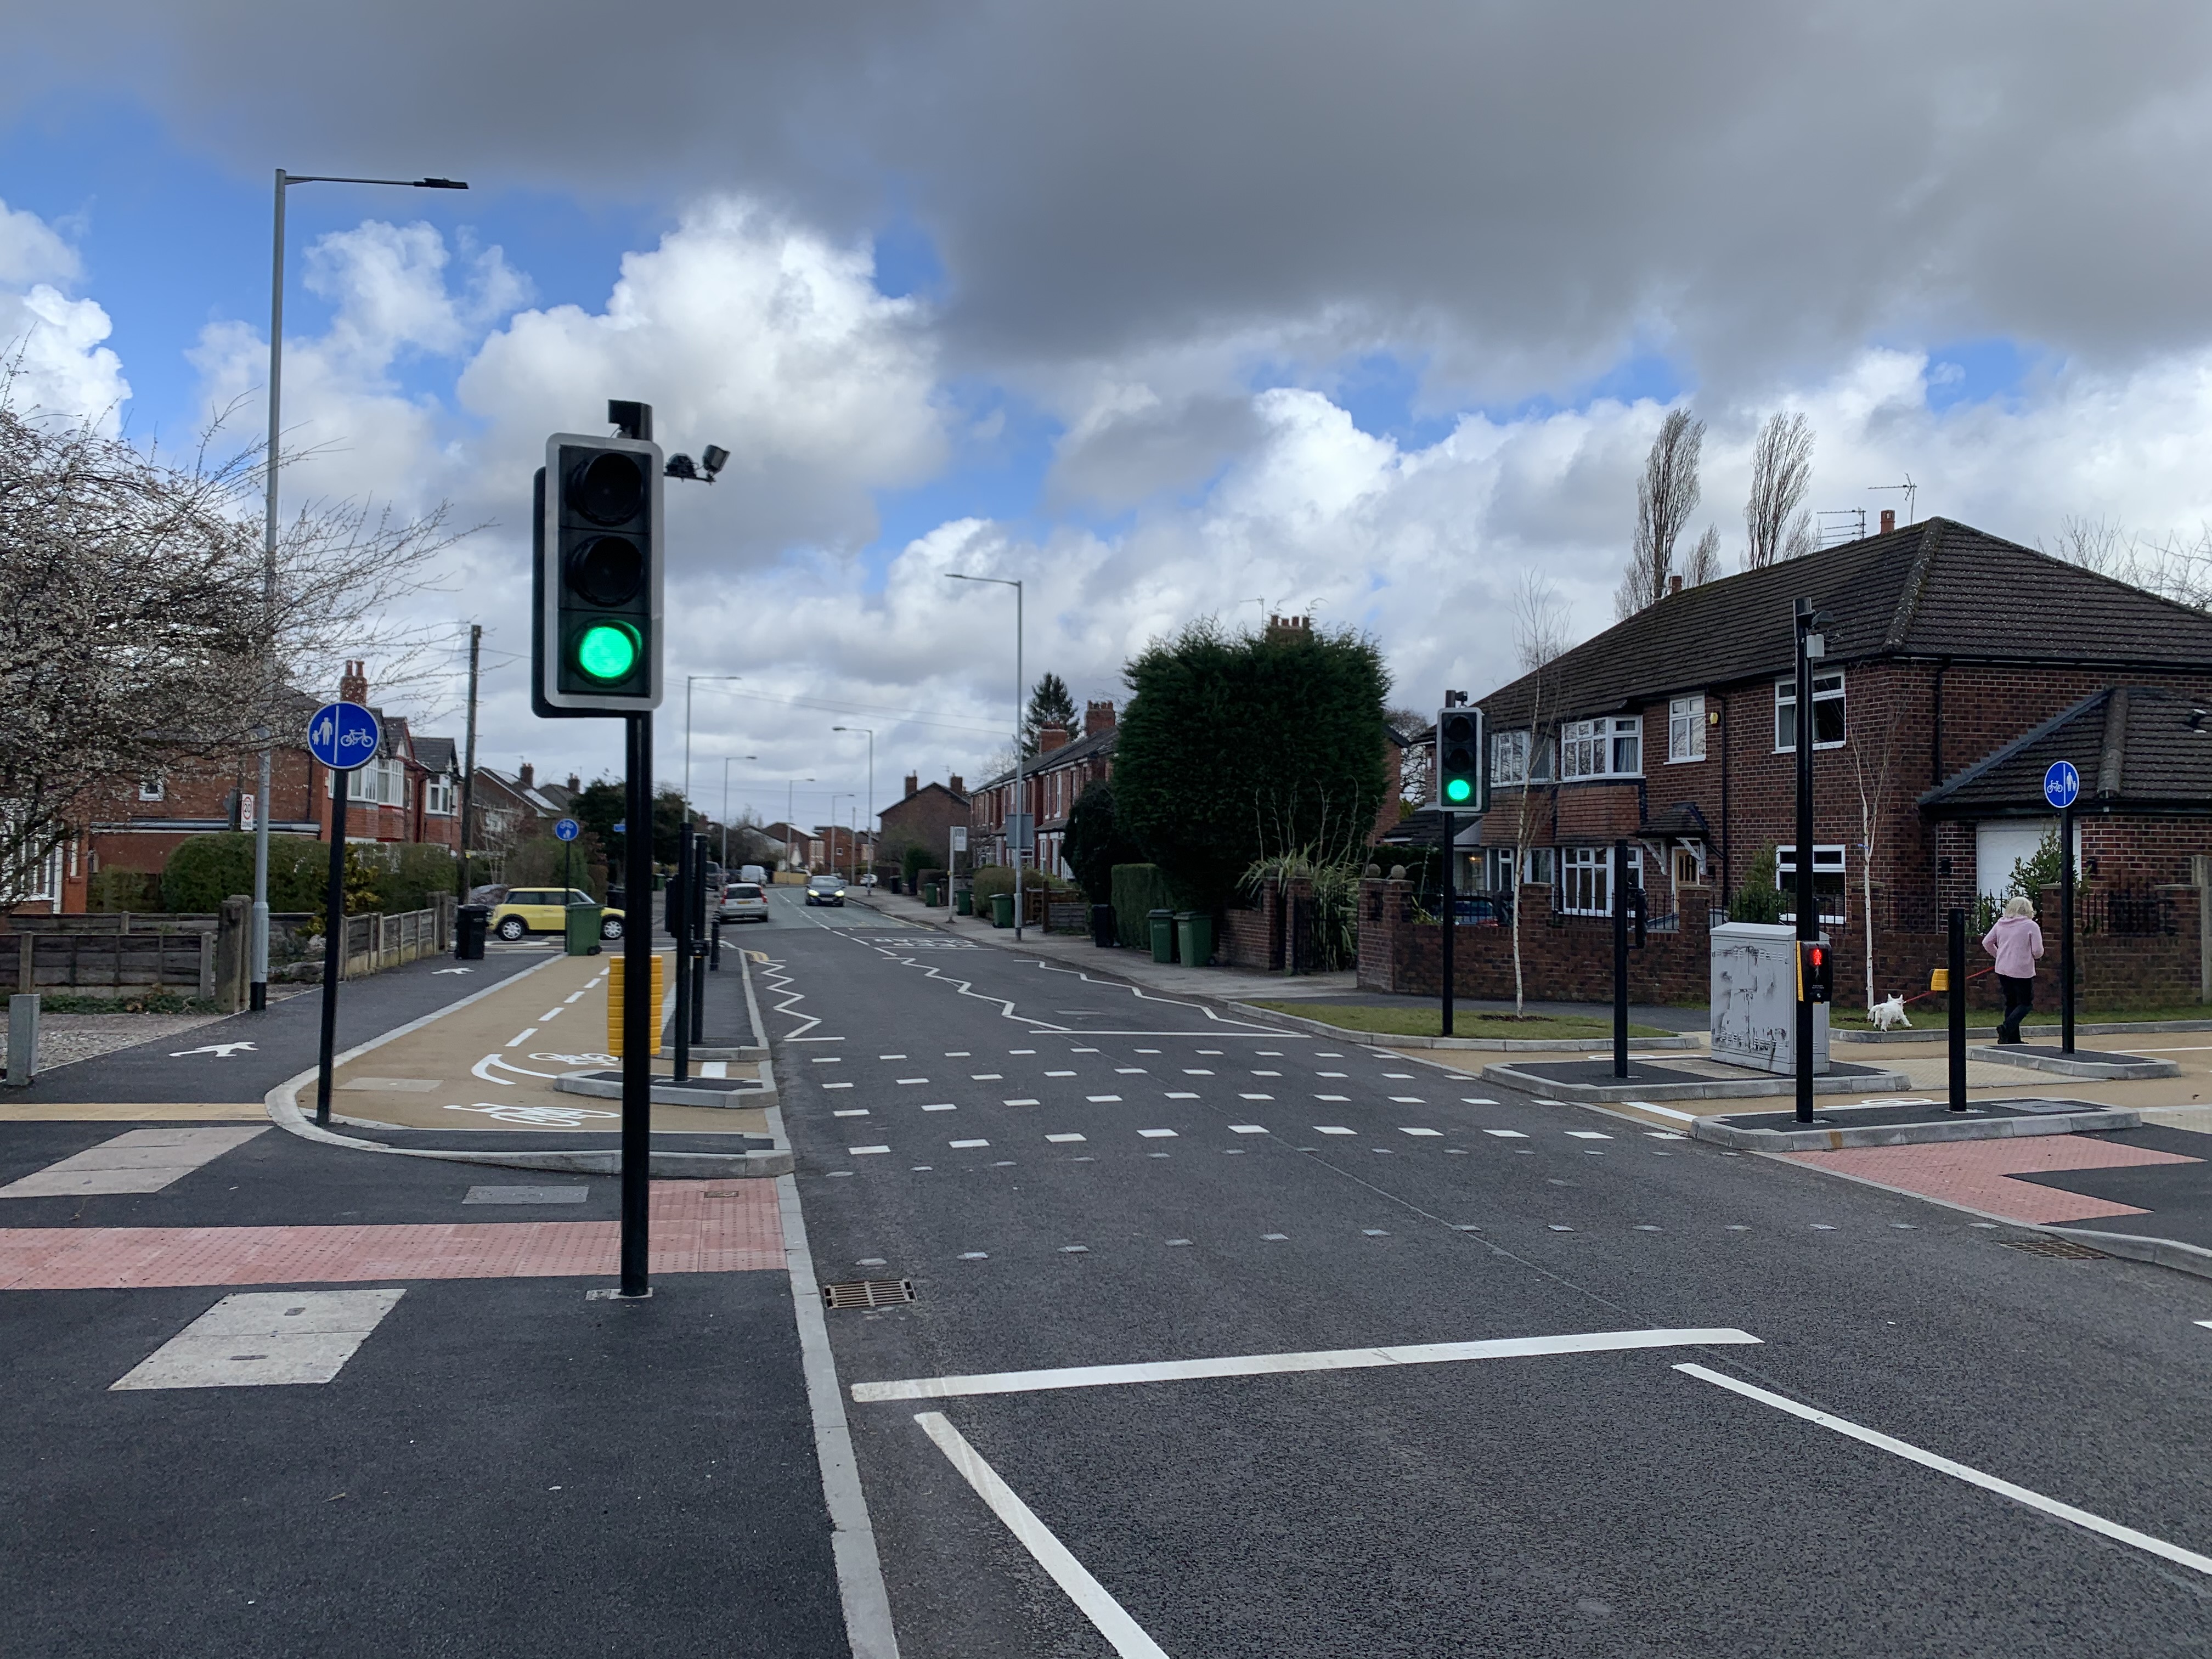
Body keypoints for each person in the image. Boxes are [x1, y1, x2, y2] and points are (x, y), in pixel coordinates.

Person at [1982, 895, 2045, 1044]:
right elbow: (2037, 951)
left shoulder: (2001, 924)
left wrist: (2000, 956)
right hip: (2022, 970)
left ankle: (2012, 1039)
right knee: (2025, 1003)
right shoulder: (2031, 926)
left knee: (2011, 1003)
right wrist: (2034, 956)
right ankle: (2006, 1028)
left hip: (2003, 969)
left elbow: (1987, 942)